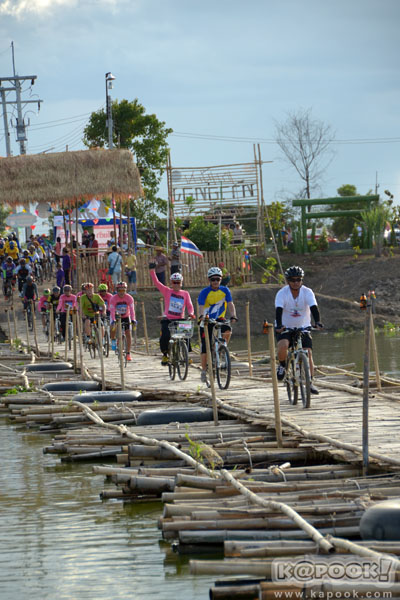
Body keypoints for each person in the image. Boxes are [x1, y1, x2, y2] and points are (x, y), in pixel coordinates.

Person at [274, 265, 323, 395]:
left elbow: (313, 307)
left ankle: (310, 382)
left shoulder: (307, 292)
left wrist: (317, 321)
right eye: (293, 280)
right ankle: (283, 365)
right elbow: (278, 310)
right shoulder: (282, 293)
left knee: (308, 352)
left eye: (298, 280)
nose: (296, 283)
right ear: (288, 281)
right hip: (286, 326)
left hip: (303, 326)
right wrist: (279, 325)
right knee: (283, 345)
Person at [149, 263, 195, 365]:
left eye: (178, 282)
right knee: (165, 336)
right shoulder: (167, 291)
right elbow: (157, 283)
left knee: (187, 335)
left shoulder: (185, 293)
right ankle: (165, 355)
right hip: (168, 319)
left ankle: (186, 354)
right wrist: (152, 270)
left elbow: (190, 306)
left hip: (180, 319)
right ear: (171, 283)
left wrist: (191, 313)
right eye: (174, 282)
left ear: (181, 283)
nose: (176, 284)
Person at [197, 267, 238, 383]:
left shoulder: (225, 290)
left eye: (218, 279)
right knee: (205, 346)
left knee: (228, 330)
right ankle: (204, 370)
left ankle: (221, 349)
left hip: (220, 318)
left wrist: (233, 315)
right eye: (213, 279)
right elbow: (200, 306)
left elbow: (230, 304)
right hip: (207, 320)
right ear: (209, 280)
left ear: (221, 280)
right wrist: (201, 316)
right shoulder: (205, 292)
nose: (215, 281)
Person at [109, 281, 136, 362]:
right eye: (120, 290)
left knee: (128, 333)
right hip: (116, 316)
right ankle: (113, 340)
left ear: (126, 290)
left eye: (123, 290)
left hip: (126, 316)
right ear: (117, 290)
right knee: (113, 327)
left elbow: (132, 310)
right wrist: (113, 320)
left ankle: (128, 353)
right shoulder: (113, 298)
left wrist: (133, 319)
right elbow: (112, 310)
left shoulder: (129, 298)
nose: (121, 292)